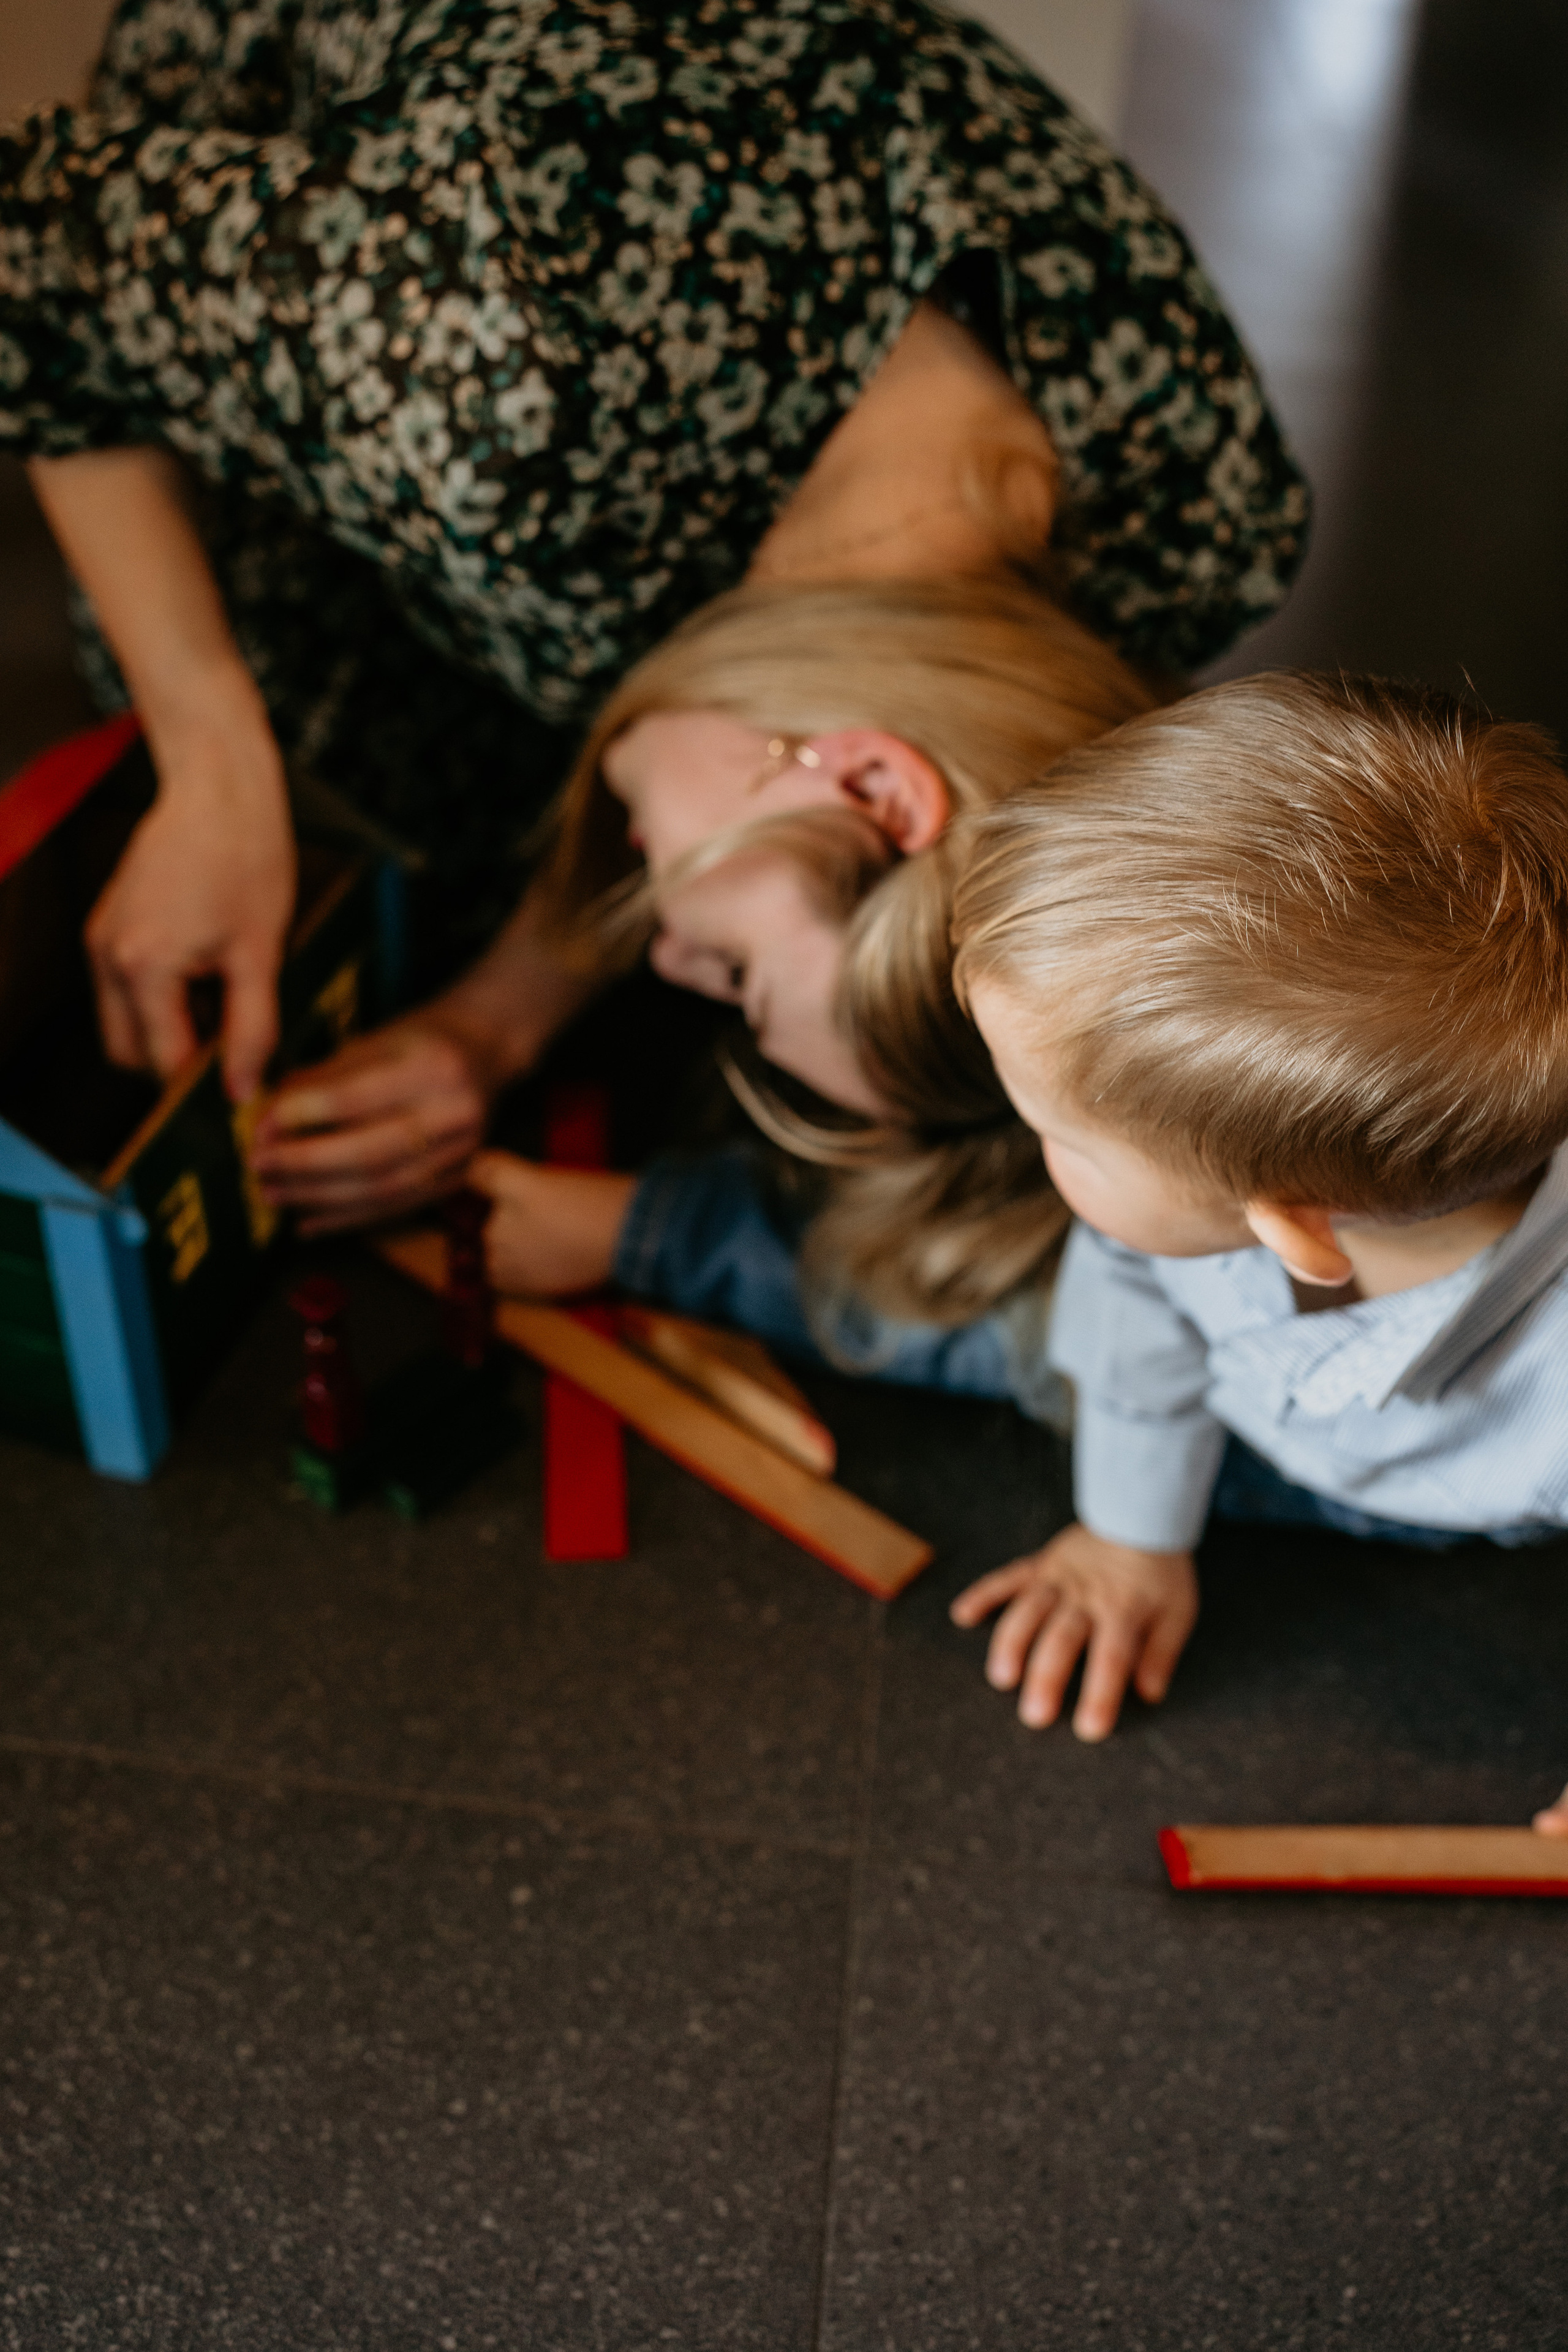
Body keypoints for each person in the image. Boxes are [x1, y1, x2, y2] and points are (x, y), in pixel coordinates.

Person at [0, 0, 1306, 1189]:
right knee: (275, 795)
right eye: (736, 975)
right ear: (865, 782)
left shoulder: (1205, 536)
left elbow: (709, 787)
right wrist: (208, 751)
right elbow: (27, 260)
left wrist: (490, 1027)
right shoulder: (495, 385)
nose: (672, 969)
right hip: (282, 206)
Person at [937, 673, 1568, 1796]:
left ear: (1291, 1226)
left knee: (948, 1324)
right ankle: (659, 1230)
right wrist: (1132, 1530)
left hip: (1425, 1501)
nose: (1034, 1147)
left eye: (1058, 1137)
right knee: (955, 1310)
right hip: (1247, 1403)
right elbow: (1133, 1290)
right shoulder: (1214, 1184)